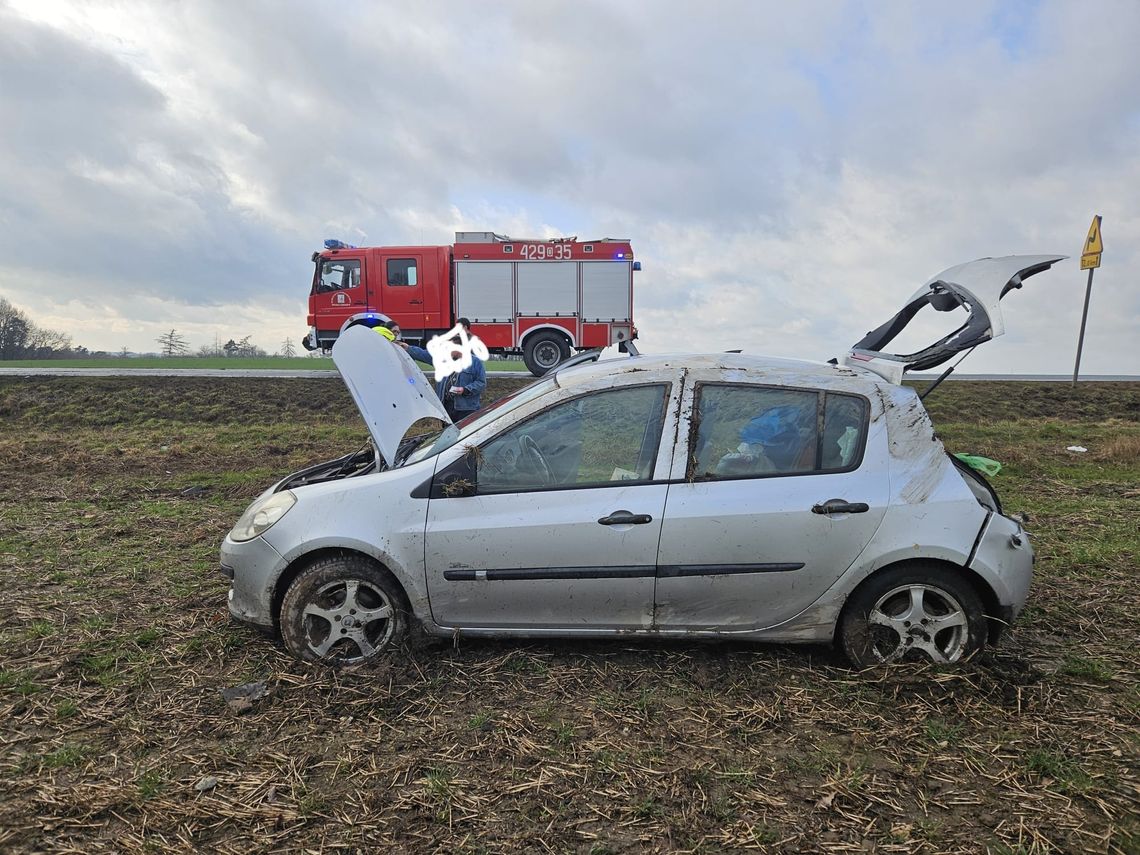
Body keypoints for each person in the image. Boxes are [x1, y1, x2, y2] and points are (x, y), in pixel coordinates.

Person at [399, 332, 486, 422]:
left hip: (466, 408)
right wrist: (408, 348)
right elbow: (424, 355)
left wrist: (465, 390)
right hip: (446, 407)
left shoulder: (476, 362)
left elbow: (481, 383)